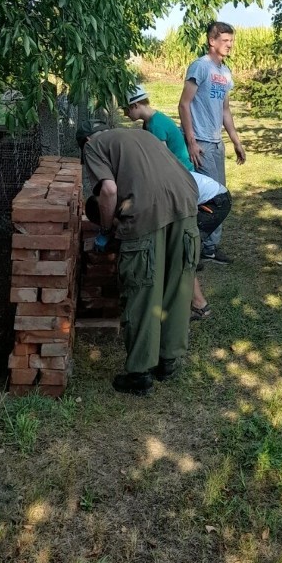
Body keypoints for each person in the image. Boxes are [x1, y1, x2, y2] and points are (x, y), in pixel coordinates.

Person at [78, 124, 201, 395]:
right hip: (186, 203)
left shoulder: (93, 146)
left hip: (145, 212)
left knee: (143, 290)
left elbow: (108, 191)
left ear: (85, 140)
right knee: (177, 286)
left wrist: (107, 229)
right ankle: (168, 361)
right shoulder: (140, 133)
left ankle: (139, 374)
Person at [123, 86, 233, 319]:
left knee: (183, 250)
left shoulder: (155, 125)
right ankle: (190, 291)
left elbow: (159, 163)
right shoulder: (153, 121)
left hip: (207, 197)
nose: (125, 114)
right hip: (186, 184)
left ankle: (198, 305)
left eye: (126, 109)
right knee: (181, 246)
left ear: (135, 105)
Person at [178, 21, 246, 265]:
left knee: (220, 195)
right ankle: (200, 247)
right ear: (212, 41)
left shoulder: (225, 73)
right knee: (211, 197)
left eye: (231, 41)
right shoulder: (200, 67)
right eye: (225, 41)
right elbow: (184, 104)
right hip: (201, 142)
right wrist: (191, 141)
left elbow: (225, 110)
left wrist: (236, 142)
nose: (229, 45)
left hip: (216, 143)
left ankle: (207, 247)